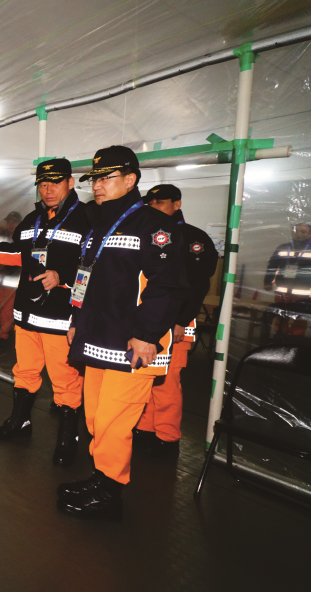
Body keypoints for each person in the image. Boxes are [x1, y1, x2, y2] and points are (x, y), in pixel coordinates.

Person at [58, 146, 189, 519]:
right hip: (98, 337)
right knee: (97, 418)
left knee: (115, 421)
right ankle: (101, 477)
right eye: (95, 179)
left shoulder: (154, 226)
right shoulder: (99, 225)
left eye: (106, 178)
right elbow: (86, 278)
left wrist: (147, 335)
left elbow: (167, 287)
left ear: (131, 180)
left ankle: (110, 493)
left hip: (133, 344)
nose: (98, 185)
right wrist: (75, 321)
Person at [0, 158, 90, 466]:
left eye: (55, 183)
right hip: (26, 314)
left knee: (65, 379)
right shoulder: (33, 219)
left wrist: (62, 277)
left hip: (61, 317)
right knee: (24, 371)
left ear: (70, 182)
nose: (48, 190)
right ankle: (19, 422)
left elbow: (94, 265)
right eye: (43, 184)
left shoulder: (87, 219)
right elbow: (17, 254)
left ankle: (68, 438)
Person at [133, 184, 218, 457]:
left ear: (177, 204)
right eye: (150, 203)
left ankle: (167, 437)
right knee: (146, 376)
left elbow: (198, 284)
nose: (154, 207)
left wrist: (182, 319)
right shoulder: (146, 232)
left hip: (177, 320)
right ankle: (145, 429)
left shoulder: (193, 237)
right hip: (150, 318)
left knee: (167, 382)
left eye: (160, 202)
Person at [264, 223, 311, 336]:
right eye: (296, 231)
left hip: (302, 290)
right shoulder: (283, 247)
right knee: (281, 314)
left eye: (303, 232)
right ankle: (280, 336)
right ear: (292, 232)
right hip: (282, 289)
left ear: (310, 234)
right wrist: (267, 282)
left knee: (300, 316)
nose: (299, 234)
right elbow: (272, 265)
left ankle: (296, 338)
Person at [0, 211, 22, 340]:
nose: (11, 224)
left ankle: (4, 334)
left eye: (14, 222)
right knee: (0, 306)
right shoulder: (0, 236)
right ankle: (6, 331)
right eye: (9, 221)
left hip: (12, 280)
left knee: (8, 307)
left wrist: (6, 267)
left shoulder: (24, 238)